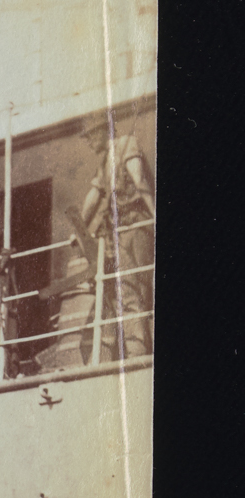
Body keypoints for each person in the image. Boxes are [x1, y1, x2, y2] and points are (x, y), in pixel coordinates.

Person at [78, 113, 154, 360]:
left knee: (137, 290)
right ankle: (137, 352)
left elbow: (138, 178)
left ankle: (140, 352)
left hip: (137, 227)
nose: (89, 143)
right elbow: (93, 195)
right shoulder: (105, 161)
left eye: (90, 137)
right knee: (129, 292)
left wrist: (154, 215)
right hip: (121, 231)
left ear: (103, 132)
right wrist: (78, 227)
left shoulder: (126, 144)